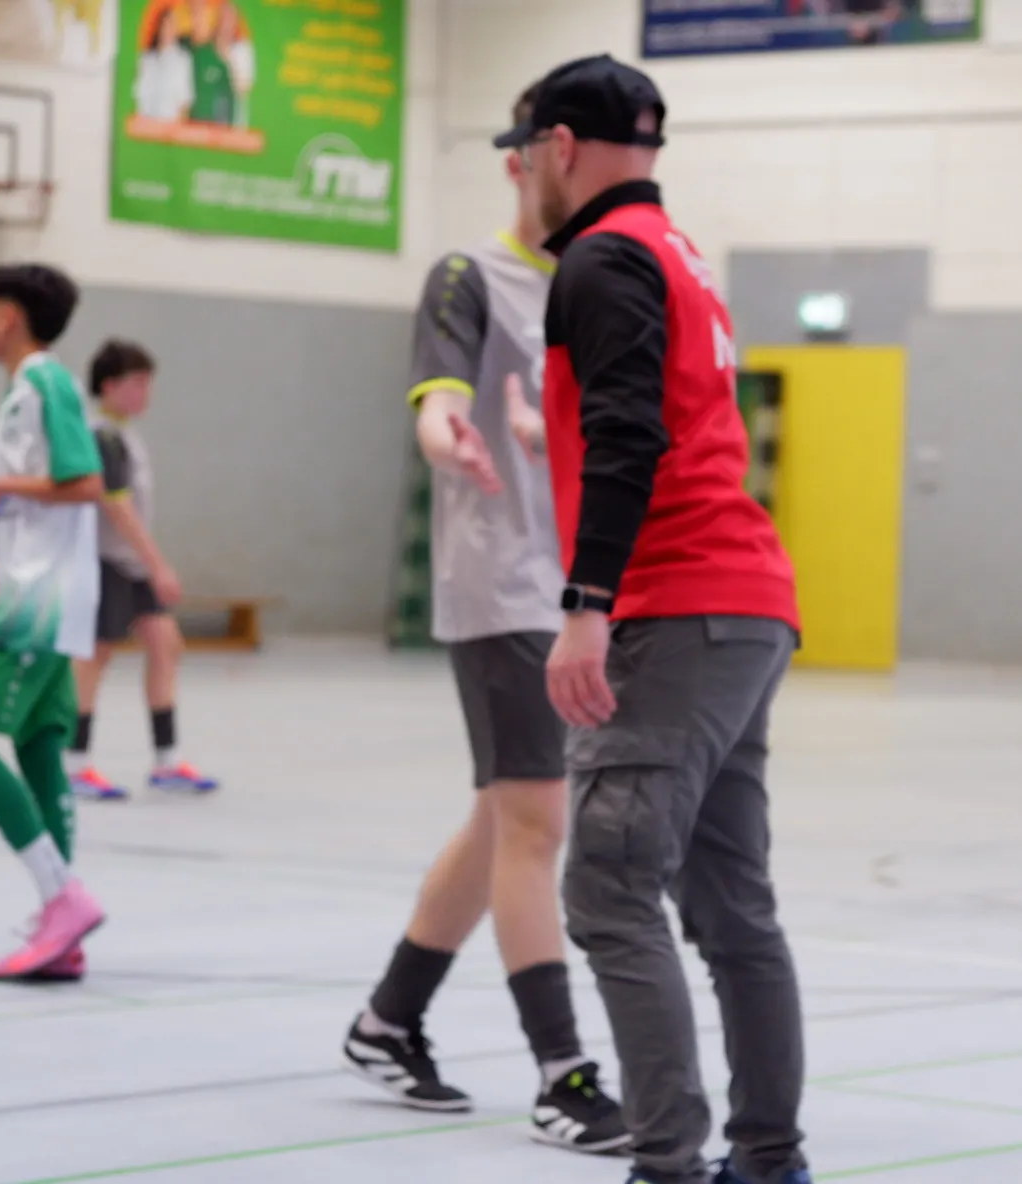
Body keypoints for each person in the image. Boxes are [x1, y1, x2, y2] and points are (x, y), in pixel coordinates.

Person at [496, 54, 811, 1184]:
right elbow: (654, 417)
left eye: (525, 154)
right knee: (732, 909)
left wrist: (586, 605)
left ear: (561, 148)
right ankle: (767, 1160)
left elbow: (632, 435)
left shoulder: (600, 256)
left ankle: (668, 1166)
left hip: (675, 605)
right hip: (744, 599)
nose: (521, 176)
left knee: (611, 889)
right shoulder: (674, 251)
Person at [340, 83, 630, 1156]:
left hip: (581, 590)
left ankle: (388, 1018)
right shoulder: (470, 277)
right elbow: (440, 397)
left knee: (503, 817)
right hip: (504, 584)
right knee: (538, 823)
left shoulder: (607, 281)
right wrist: (450, 438)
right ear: (523, 161)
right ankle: (562, 1075)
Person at [0, 263, 108, 983]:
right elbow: (28, 517)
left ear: (7, 316)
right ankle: (61, 931)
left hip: (41, 601)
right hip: (33, 592)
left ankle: (62, 897)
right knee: (39, 746)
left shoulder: (45, 384)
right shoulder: (24, 394)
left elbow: (85, 482)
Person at [65, 339, 217, 801]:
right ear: (109, 386)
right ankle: (73, 765)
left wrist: (147, 566)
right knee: (93, 658)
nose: (145, 393)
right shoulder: (102, 436)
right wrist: (159, 566)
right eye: (137, 383)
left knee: (165, 644)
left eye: (148, 384)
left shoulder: (126, 434)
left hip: (133, 565)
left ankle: (167, 761)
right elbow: (119, 510)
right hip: (107, 562)